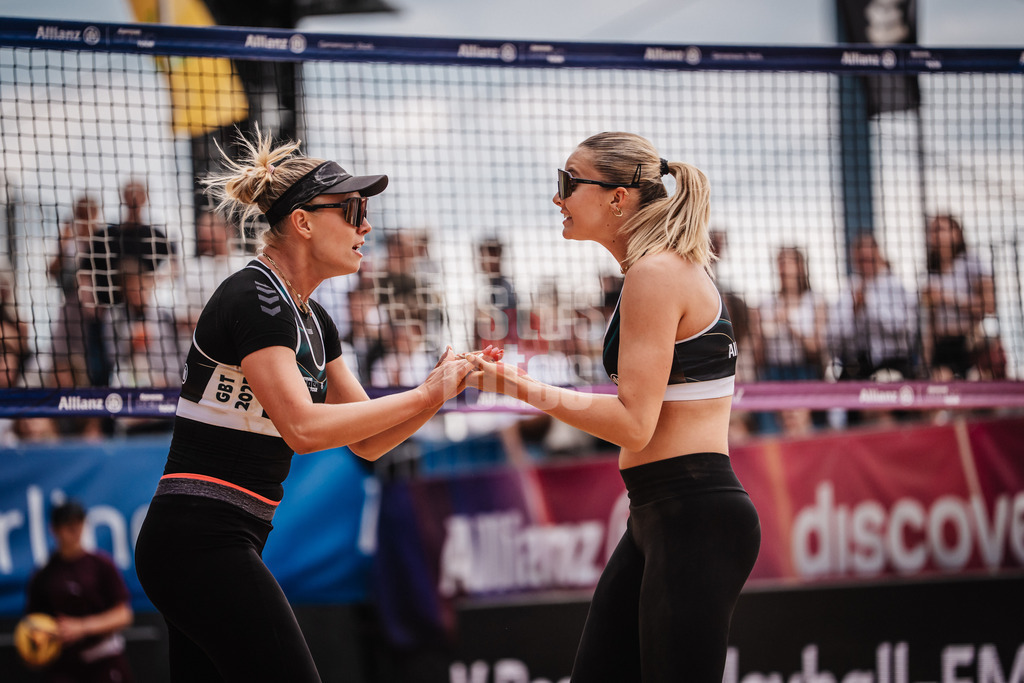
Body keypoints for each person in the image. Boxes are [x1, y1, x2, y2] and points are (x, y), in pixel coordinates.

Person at [133, 128, 473, 683]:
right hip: (197, 538)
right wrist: (424, 393)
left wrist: (438, 391)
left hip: (221, 537)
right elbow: (303, 428)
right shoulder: (255, 297)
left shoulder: (313, 319)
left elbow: (368, 442)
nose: (366, 226)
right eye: (353, 210)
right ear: (303, 221)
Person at [465, 132, 761, 682]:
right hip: (662, 511)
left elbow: (633, 425)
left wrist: (520, 388)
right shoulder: (653, 270)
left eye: (569, 182)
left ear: (618, 197)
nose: (558, 196)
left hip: (692, 513)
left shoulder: (656, 272)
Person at [24, 500, 136, 683]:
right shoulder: (44, 575)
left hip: (103, 660)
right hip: (63, 665)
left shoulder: (101, 565)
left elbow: (124, 615)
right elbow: (32, 624)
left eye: (79, 523)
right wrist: (38, 645)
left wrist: (82, 627)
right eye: (68, 525)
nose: (75, 530)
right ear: (54, 529)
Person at [750, 246, 828, 434]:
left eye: (788, 262)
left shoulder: (814, 301)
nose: (783, 268)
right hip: (773, 373)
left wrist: (789, 323)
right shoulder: (766, 303)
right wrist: (758, 332)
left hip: (804, 372)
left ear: (800, 267)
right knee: (770, 429)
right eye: (780, 263)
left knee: (806, 429)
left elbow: (816, 347)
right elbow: (758, 355)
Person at [826, 233, 920, 382]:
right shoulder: (849, 289)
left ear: (878, 254)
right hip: (858, 365)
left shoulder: (895, 285)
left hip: (895, 362)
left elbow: (905, 329)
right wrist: (855, 312)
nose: (865, 264)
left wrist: (869, 304)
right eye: (860, 259)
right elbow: (833, 338)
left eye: (869, 258)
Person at [921, 214, 998, 380]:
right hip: (942, 347)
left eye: (940, 229)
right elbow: (931, 322)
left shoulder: (972, 262)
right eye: (932, 231)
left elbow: (989, 306)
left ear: (956, 233)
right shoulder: (931, 271)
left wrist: (947, 298)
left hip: (969, 344)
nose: (934, 235)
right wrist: (927, 356)